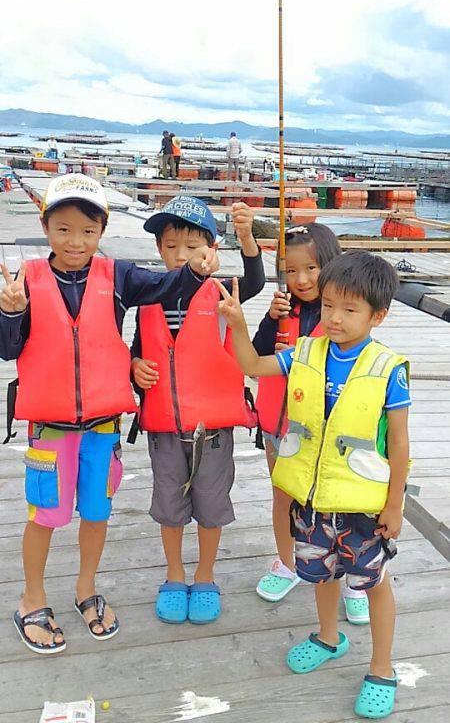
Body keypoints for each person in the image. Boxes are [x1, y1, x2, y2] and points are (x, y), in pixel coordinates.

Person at [0, 174, 219, 655]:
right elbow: (8, 349)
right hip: (50, 431)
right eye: (62, 229)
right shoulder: (26, 280)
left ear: (102, 231)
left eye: (87, 231)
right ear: (45, 227)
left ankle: (86, 588)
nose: (75, 242)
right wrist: (10, 312)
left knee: (96, 511)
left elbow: (166, 285)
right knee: (45, 515)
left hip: (102, 428)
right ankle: (31, 598)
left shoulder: (117, 276)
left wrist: (196, 271)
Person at [215, 250, 410, 720]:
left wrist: (394, 505)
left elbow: (400, 444)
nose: (334, 318)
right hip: (312, 500)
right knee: (322, 574)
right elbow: (252, 365)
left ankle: (381, 667)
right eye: (328, 306)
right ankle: (328, 636)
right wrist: (237, 324)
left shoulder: (388, 368)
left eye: (349, 309)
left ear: (377, 316)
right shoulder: (304, 352)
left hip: (363, 507)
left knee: (374, 583)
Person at [130, 195, 265, 625]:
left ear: (211, 249)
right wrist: (135, 367)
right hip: (165, 430)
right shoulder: (149, 295)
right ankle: (174, 574)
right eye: (171, 246)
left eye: (192, 246)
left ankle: (205, 576)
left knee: (211, 505)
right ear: (158, 249)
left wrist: (246, 236)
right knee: (169, 507)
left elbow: (256, 279)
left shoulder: (223, 291)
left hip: (214, 431)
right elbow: (137, 349)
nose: (180, 255)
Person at [252, 224, 370, 625]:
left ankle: (354, 581)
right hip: (281, 428)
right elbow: (256, 357)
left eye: (311, 269)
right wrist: (271, 320)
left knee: (341, 505)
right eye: (290, 270)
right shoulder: (282, 310)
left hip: (329, 435)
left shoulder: (343, 317)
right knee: (283, 498)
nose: (300, 280)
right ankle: (287, 563)